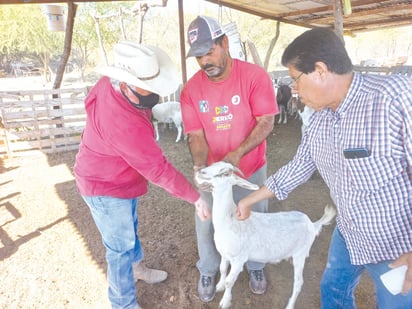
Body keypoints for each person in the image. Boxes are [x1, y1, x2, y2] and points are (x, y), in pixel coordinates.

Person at [237, 28, 412, 309]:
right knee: (332, 290)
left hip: (397, 243)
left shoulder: (393, 99)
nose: (292, 89)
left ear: (320, 70)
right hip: (349, 230)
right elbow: (300, 165)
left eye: (295, 79)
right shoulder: (319, 119)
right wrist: (250, 198)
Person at [73, 41, 211, 309]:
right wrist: (195, 197)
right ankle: (122, 303)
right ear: (126, 85)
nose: (154, 97)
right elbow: (157, 168)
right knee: (119, 248)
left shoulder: (109, 85)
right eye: (147, 90)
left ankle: (137, 270)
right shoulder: (123, 123)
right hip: (103, 184)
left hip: (120, 177)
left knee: (129, 230)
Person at [180, 16, 278, 302]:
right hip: (214, 174)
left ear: (225, 43)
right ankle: (209, 269)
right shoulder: (191, 90)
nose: (204, 61)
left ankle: (256, 265)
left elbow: (266, 122)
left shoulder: (254, 76)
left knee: (255, 217)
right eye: (198, 55)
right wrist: (200, 167)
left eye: (209, 51)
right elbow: (195, 135)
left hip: (251, 169)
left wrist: (237, 154)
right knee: (208, 219)